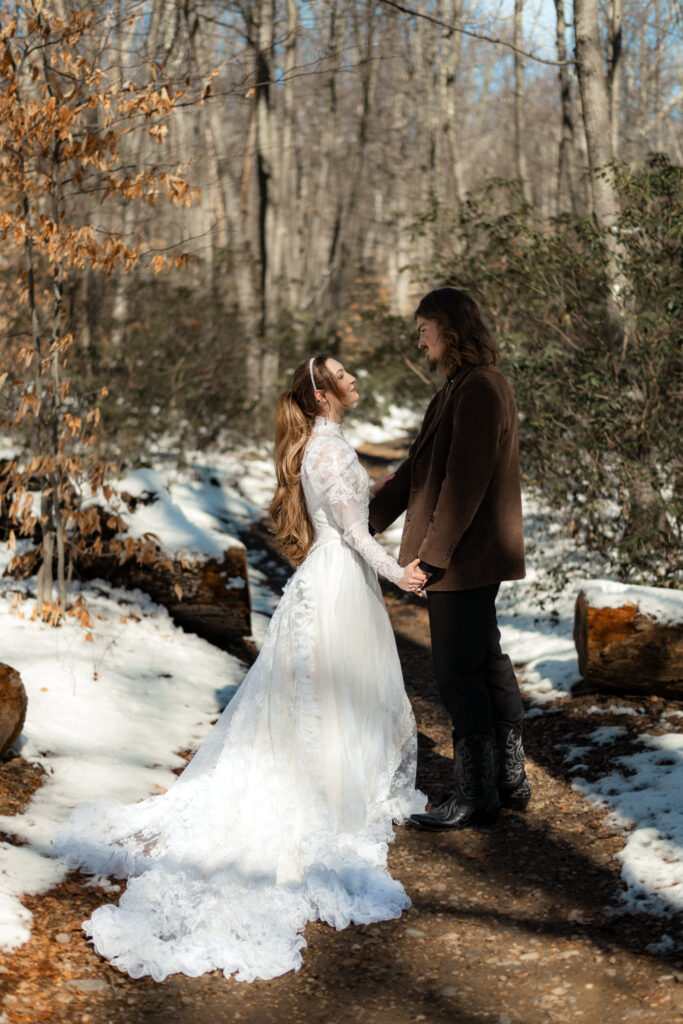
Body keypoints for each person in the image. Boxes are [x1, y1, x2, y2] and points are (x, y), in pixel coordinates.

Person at [54, 355, 427, 983]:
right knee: (329, 692)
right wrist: (401, 575)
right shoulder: (327, 451)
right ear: (320, 393)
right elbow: (355, 534)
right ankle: (329, 793)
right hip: (339, 580)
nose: (355, 378)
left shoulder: (326, 444)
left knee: (319, 694)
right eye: (343, 374)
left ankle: (337, 779)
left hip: (333, 580)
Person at [369, 288, 530, 831]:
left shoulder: (482, 389)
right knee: (484, 660)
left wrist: (433, 557)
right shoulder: (456, 390)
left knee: (458, 672)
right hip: (464, 555)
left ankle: (477, 793)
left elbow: (466, 484)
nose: (419, 341)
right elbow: (417, 469)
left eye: (424, 329)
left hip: (465, 556)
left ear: (450, 328)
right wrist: (364, 523)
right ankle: (507, 780)